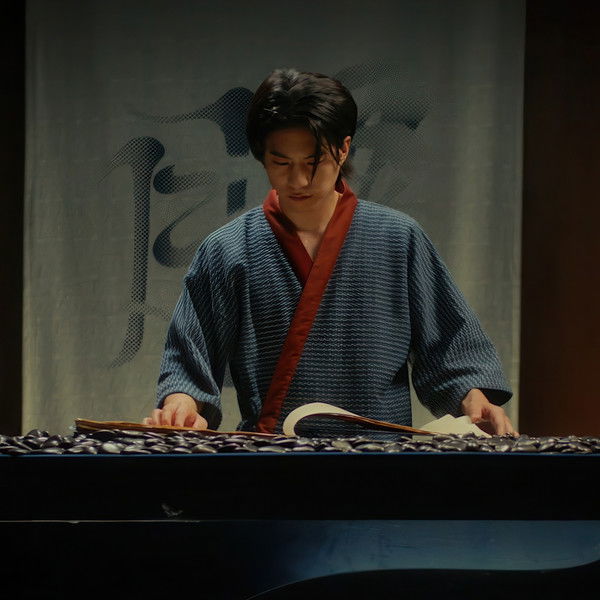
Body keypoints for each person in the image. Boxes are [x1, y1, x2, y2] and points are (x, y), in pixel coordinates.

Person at [144, 68, 516, 436]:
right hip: (272, 458)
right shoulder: (227, 250)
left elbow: (451, 349)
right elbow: (189, 361)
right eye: (281, 163)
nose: (298, 180)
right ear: (261, 156)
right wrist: (182, 405)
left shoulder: (398, 238)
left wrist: (474, 398)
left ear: (343, 148)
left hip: (381, 458)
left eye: (314, 162)